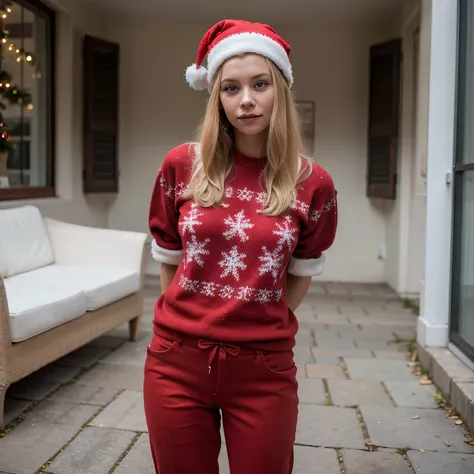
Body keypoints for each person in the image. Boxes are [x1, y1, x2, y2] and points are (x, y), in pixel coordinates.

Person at [143, 19, 338, 474]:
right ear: (217, 99)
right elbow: (169, 258)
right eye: (230, 88)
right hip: (176, 364)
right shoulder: (181, 166)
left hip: (263, 371)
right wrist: (184, 321)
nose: (246, 99)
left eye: (260, 84)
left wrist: (256, 319)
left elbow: (301, 272)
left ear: (281, 90)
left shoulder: (313, 183)